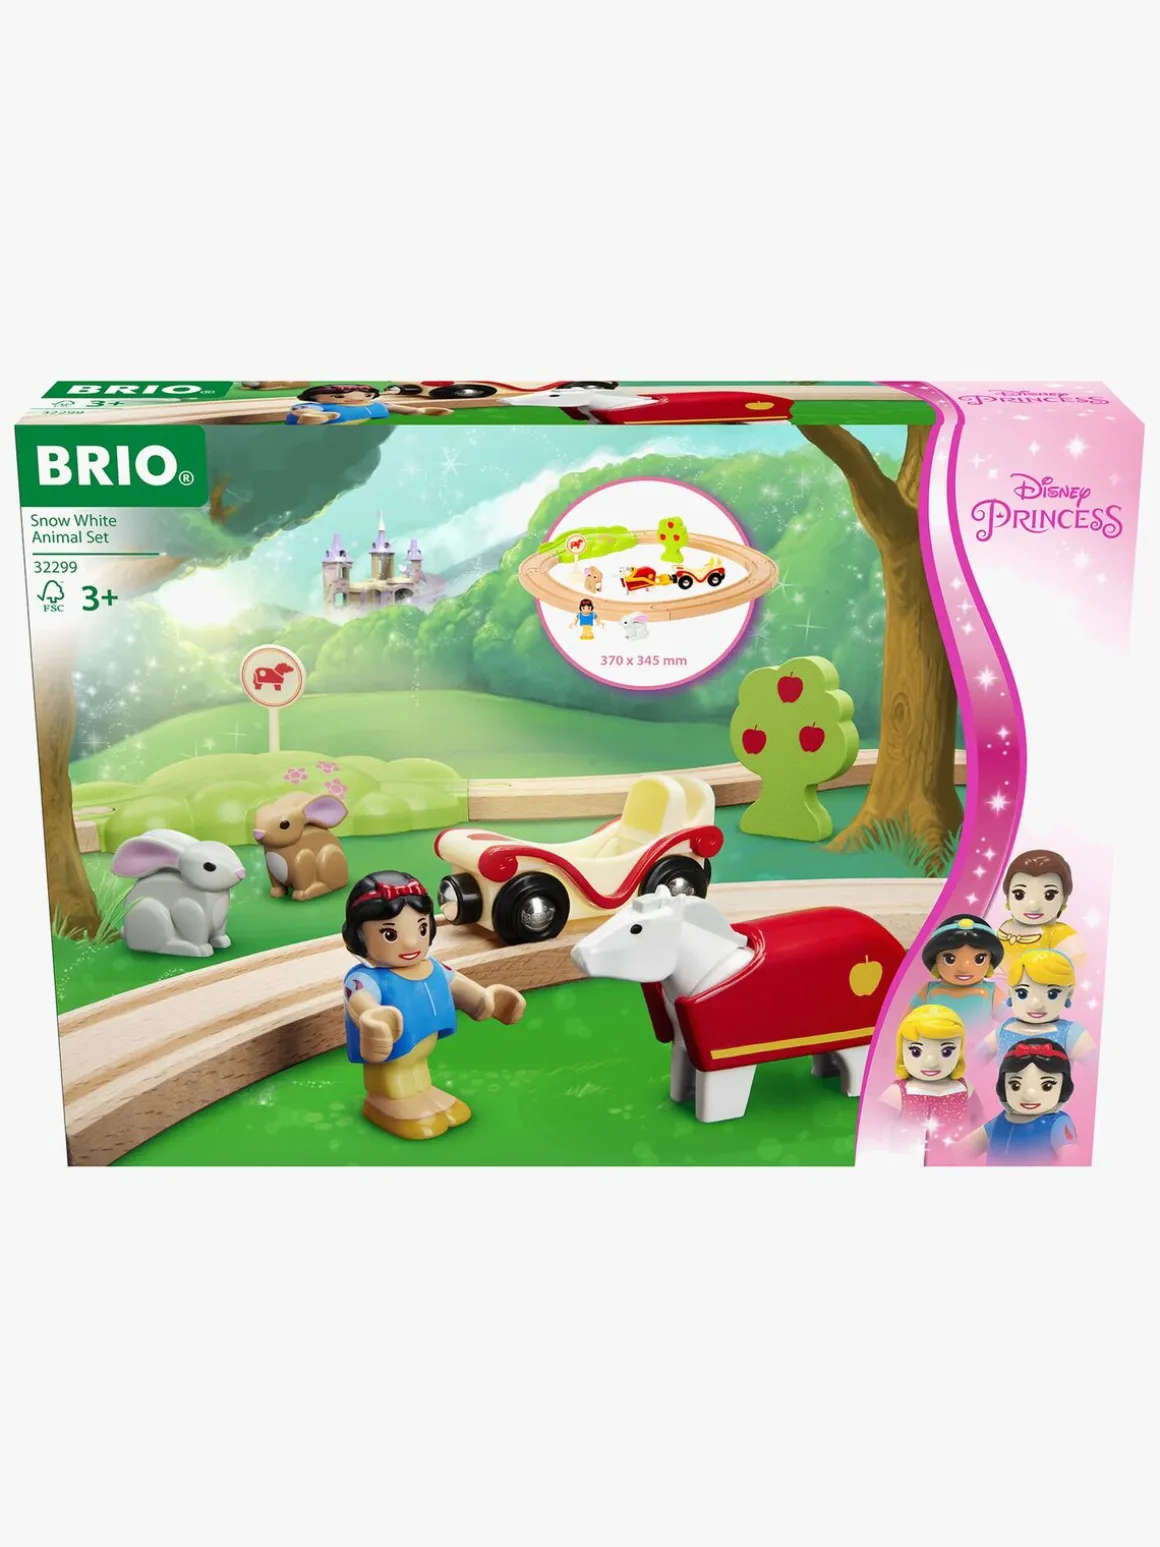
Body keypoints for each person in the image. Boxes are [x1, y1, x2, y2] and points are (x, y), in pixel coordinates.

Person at [342, 870, 525, 1140]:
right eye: (390, 934)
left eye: (421, 928)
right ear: (359, 936)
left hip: (422, 1045)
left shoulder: (434, 967)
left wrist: (486, 1001)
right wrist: (373, 1017)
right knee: (394, 1077)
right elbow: (359, 1000)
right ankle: (384, 1101)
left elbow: (458, 985)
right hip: (390, 1054)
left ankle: (422, 1093)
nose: (411, 942)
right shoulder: (364, 978)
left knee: (417, 1070)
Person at [956, 1041, 1079, 1165]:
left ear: (1063, 1086)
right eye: (1015, 1085)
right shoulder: (999, 1121)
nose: (1029, 1095)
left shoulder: (1058, 1123)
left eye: (1047, 1086)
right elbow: (963, 1150)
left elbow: (1072, 1159)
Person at [978, 947, 1096, 1062]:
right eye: (1022, 993)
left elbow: (1097, 1069)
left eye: (1052, 994)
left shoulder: (1071, 1033)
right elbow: (974, 1062)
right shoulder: (1003, 1030)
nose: (1036, 1005)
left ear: (1069, 994)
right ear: (1010, 993)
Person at [879, 1004, 975, 1144]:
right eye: (916, 1051)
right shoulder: (897, 1093)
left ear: (960, 1051)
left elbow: (981, 1125)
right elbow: (872, 1128)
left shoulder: (965, 1089)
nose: (932, 1063)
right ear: (902, 1050)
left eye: (946, 1052)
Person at [910, 913, 1005, 1036]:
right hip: (938, 1044)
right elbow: (909, 1021)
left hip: (980, 1046)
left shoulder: (991, 992)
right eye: (950, 959)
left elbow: (1012, 1019)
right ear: (935, 961)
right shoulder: (928, 991)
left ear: (990, 961)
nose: (963, 968)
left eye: (979, 959)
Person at [997, 848, 1084, 974]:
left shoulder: (1062, 935)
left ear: (1064, 900)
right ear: (1008, 897)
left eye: (1049, 895)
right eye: (1019, 894)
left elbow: (1077, 970)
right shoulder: (1004, 928)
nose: (1033, 905)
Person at [285, 383, 390, 425]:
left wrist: (401, 409)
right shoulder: (320, 406)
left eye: (367, 395)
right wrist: (313, 415)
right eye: (339, 396)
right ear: (314, 397)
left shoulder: (372, 405)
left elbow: (389, 406)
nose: (355, 399)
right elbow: (303, 410)